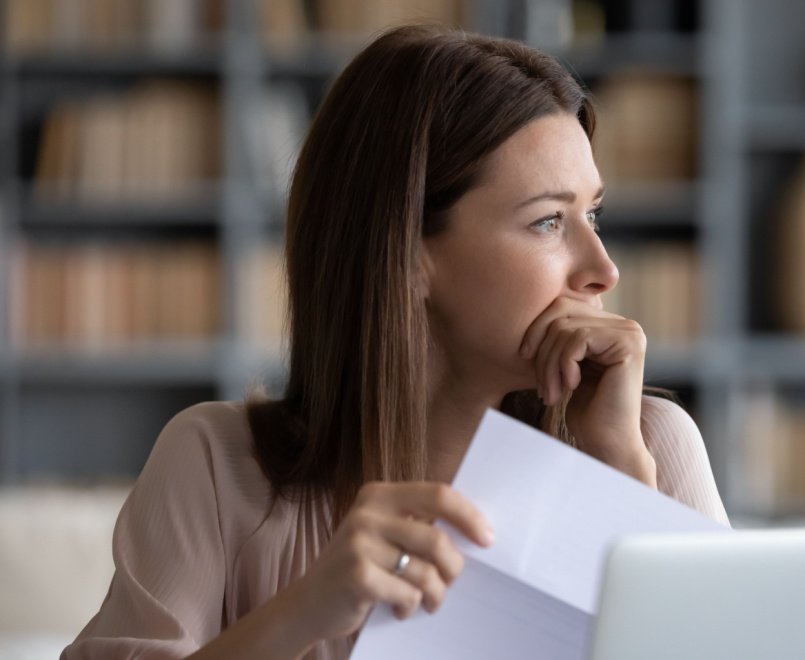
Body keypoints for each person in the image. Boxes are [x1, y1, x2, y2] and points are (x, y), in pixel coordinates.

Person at [62, 24, 729, 660]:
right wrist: (304, 611)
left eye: (593, 215)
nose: (603, 270)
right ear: (405, 253)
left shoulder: (652, 446)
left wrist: (624, 489)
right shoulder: (214, 466)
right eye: (549, 221)